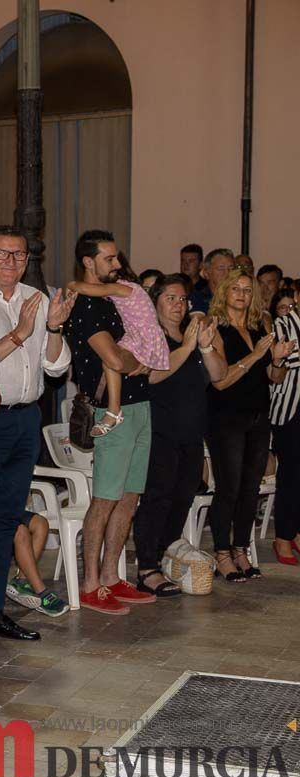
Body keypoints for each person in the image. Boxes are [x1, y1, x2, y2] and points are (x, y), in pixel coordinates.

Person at [0, 225, 73, 648]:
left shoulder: (35, 300)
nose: (10, 262)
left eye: (18, 255)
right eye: (2, 254)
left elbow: (56, 369)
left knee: (5, 519)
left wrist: (53, 328)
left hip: (26, 418)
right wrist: (19, 333)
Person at [63, 230, 157, 614]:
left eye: (117, 258)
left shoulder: (115, 297)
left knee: (129, 497)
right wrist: (140, 363)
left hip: (140, 406)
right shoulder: (85, 304)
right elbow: (116, 361)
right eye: (108, 259)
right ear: (88, 262)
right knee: (104, 499)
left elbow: (132, 351)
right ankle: (89, 585)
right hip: (109, 412)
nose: (117, 265)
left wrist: (140, 363)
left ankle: (111, 577)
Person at [129, 275, 225, 595]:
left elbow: (218, 375)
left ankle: (163, 555)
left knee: (183, 497)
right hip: (160, 431)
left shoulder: (191, 338)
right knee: (157, 497)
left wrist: (206, 345)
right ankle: (146, 567)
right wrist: (187, 346)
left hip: (192, 432)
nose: (178, 305)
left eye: (183, 299)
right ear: (155, 302)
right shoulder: (152, 336)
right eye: (170, 298)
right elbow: (155, 374)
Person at [205, 268, 292, 581]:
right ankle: (222, 553)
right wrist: (257, 355)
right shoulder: (216, 327)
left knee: (250, 487)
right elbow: (221, 382)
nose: (241, 294)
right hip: (226, 416)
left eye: (247, 289)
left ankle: (241, 549)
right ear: (224, 292)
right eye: (235, 289)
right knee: (228, 487)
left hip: (258, 415)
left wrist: (278, 360)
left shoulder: (262, 324)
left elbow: (274, 378)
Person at [67, 261, 170, 437]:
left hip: (141, 337)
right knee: (113, 360)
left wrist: (72, 285)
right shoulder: (129, 291)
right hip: (141, 337)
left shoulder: (126, 288)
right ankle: (114, 410)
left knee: (111, 360)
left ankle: (113, 411)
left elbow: (95, 290)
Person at [270, 293, 300, 564]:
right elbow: (287, 363)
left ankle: (296, 532)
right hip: (290, 410)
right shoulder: (283, 324)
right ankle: (282, 537)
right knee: (291, 475)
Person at [7, 511, 68, 615]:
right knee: (21, 532)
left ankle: (21, 580)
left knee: (41, 524)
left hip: (5, 508)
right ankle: (42, 592)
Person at [189, 248, 234, 315]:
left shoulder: (239, 296)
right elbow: (198, 322)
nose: (227, 273)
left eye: (231, 268)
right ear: (207, 273)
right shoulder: (198, 297)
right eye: (221, 268)